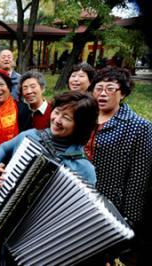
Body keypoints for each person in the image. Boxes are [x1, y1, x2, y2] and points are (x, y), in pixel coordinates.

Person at [0, 91, 98, 264]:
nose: (57, 120)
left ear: (80, 125)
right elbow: (5, 148)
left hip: (41, 241)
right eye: (57, 112)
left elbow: (79, 216)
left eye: (66, 117)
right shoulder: (30, 136)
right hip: (5, 222)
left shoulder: (84, 169)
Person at [85, 66, 152, 264]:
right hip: (80, 198)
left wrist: (127, 220)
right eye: (98, 88)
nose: (103, 93)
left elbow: (139, 176)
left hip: (112, 206)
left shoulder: (139, 126)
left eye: (110, 88)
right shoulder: (85, 117)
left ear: (122, 93)